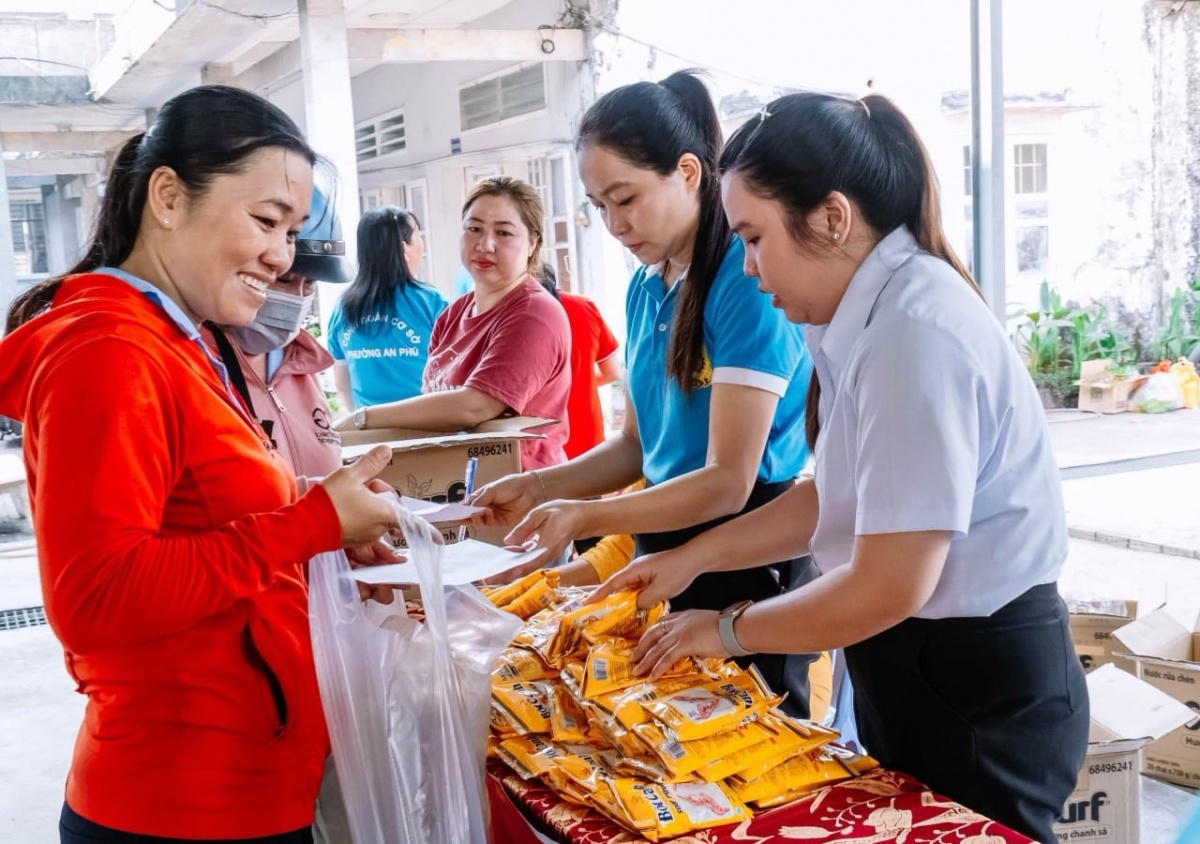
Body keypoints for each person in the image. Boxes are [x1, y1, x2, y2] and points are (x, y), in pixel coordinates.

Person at [593, 92, 1089, 844]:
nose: (750, 268)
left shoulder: (914, 330)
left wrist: (727, 629)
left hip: (975, 681)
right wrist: (689, 562)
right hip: (919, 660)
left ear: (832, 217)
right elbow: (841, 499)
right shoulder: (865, 311)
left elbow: (890, 581)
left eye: (755, 239)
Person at [0, 84, 399, 844]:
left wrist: (323, 514)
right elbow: (97, 599)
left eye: (291, 231)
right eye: (265, 221)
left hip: (243, 785)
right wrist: (308, 523)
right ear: (169, 198)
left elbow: (197, 507)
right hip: (180, 803)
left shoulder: (180, 339)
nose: (281, 256)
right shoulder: (109, 351)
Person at [470, 70, 818, 716]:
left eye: (625, 199)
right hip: (663, 545)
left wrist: (587, 516)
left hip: (744, 555)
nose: (612, 224)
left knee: (746, 749)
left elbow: (727, 480)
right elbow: (636, 445)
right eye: (597, 206)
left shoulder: (743, 282)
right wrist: (542, 490)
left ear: (688, 172)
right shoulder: (644, 288)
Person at [337, 177, 571, 471]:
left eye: (504, 233)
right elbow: (433, 407)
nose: (485, 245)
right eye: (474, 229)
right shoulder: (453, 313)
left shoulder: (533, 314)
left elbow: (475, 405)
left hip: (523, 494)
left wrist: (363, 418)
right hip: (456, 486)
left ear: (532, 243)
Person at [204, 185, 350, 480]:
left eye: (308, 284)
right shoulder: (200, 365)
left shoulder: (305, 364)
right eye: (283, 279)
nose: (296, 298)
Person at [327, 205, 447, 411]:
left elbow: (343, 387)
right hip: (428, 432)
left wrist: (364, 425)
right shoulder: (431, 303)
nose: (422, 246)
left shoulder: (343, 308)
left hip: (371, 435)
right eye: (418, 237)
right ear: (403, 249)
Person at [536, 262, 621, 460]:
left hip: (537, 444)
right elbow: (612, 372)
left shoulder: (517, 315)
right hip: (587, 437)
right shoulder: (584, 306)